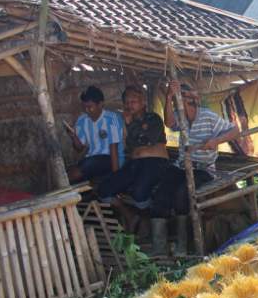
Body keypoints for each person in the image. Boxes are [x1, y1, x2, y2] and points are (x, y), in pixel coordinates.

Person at [149, 82, 241, 256]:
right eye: (177, 101)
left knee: (182, 195)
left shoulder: (207, 116)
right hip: (181, 166)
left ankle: (182, 245)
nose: (178, 104)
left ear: (190, 102)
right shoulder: (180, 117)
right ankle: (159, 248)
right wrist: (168, 97)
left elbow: (235, 130)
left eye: (181, 100)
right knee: (160, 193)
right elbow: (169, 123)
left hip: (203, 170)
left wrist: (215, 141)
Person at [98, 85, 170, 244]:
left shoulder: (153, 118)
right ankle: (130, 215)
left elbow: (147, 140)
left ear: (143, 102)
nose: (129, 105)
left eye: (133, 101)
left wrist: (130, 124)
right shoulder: (124, 121)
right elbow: (125, 145)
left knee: (139, 192)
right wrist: (127, 125)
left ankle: (145, 221)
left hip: (155, 163)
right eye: (127, 102)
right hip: (134, 164)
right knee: (104, 189)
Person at [65, 86, 124, 183]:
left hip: (110, 159)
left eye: (90, 107)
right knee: (72, 173)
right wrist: (73, 136)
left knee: (77, 173)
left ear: (100, 104)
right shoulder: (82, 120)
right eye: (84, 107)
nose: (87, 110)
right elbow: (79, 148)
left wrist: (116, 178)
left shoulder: (111, 118)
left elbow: (114, 148)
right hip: (92, 159)